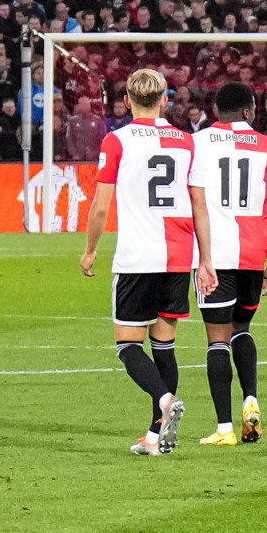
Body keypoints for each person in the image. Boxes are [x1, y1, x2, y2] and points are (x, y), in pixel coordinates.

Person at [78, 69, 197, 454]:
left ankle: (164, 402)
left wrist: (90, 248)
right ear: (166, 100)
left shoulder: (116, 141)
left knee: (128, 345)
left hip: (137, 258)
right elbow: (199, 201)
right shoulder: (186, 142)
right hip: (179, 255)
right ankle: (154, 437)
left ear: (126, 101)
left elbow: (100, 205)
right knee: (164, 345)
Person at [191, 80, 267, 447]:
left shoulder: (197, 143)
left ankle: (223, 428)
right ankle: (250, 399)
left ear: (218, 110)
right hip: (253, 253)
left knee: (217, 340)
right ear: (249, 111)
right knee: (241, 329)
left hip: (212, 255)